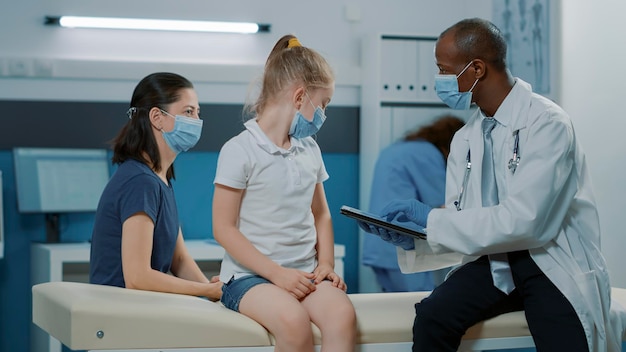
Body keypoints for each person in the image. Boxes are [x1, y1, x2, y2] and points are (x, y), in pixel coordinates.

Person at [360, 18, 621, 351]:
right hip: (496, 263)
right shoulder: (466, 137)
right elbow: (466, 219)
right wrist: (418, 238)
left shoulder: (547, 123)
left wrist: (432, 218)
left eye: (443, 70)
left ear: (477, 69)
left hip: (550, 261)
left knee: (563, 339)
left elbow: (525, 221)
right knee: (432, 317)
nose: (439, 81)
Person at [212, 34, 356, 352]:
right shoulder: (240, 150)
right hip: (248, 278)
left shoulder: (309, 149)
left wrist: (327, 264)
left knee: (342, 315)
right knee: (293, 322)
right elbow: (223, 228)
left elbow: (321, 214)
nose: (324, 114)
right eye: (324, 104)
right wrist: (278, 275)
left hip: (305, 272)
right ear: (300, 97)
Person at [90, 72, 222, 301]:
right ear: (157, 117)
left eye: (198, 113)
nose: (196, 121)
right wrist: (206, 291)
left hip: (145, 309)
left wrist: (216, 295)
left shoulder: (160, 178)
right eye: (188, 112)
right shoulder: (140, 182)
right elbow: (137, 277)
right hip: (122, 315)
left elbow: (178, 260)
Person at [362, 115, 464, 292]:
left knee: (395, 312)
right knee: (416, 308)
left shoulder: (399, 149)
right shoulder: (429, 155)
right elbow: (444, 206)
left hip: (379, 247)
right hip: (403, 246)